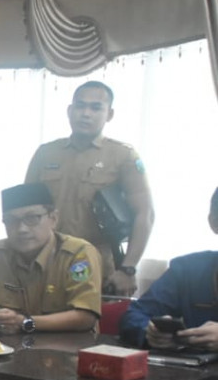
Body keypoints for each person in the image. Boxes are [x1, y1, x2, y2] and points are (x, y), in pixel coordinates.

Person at [25, 80, 153, 296]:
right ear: (69, 110)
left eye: (96, 108)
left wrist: (128, 268)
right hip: (48, 261)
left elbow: (145, 213)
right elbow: (25, 210)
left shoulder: (123, 156)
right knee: (39, 325)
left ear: (109, 114)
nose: (86, 113)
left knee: (95, 328)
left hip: (99, 263)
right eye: (80, 106)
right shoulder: (46, 153)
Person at [0, 183, 102, 333]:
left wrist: (25, 322)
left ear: (54, 219)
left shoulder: (78, 254)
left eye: (32, 218)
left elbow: (85, 317)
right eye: (11, 220)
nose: (21, 229)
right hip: (13, 348)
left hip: (70, 348)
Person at [119, 186, 218, 351]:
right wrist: (150, 331)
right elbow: (133, 316)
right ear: (214, 222)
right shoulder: (187, 270)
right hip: (189, 373)